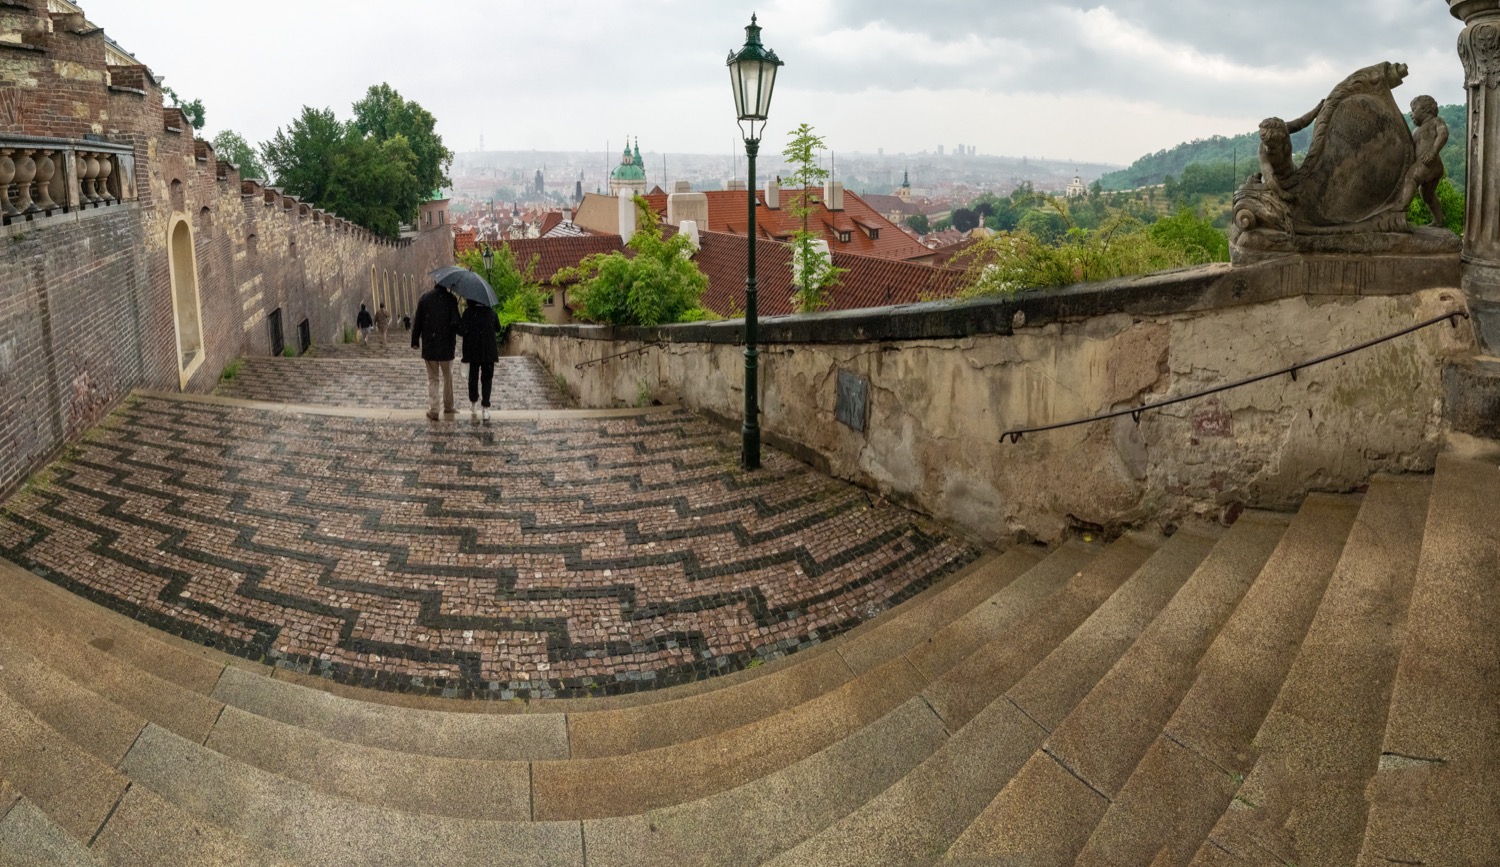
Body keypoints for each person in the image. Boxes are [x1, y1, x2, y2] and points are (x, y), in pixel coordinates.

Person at [411, 283, 460, 420]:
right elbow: (456, 323)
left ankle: (434, 410)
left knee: (433, 379)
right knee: (448, 377)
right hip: (446, 347)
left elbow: (418, 322)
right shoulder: (451, 299)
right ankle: (449, 406)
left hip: (430, 346)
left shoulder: (424, 299)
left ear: (435, 285)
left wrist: (415, 340)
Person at [459, 299, 499, 421]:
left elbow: (461, 331)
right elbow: (498, 328)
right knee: (487, 380)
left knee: (473, 378)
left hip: (473, 352)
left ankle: (473, 402)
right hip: (488, 352)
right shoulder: (492, 313)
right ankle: (486, 408)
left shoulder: (468, 313)